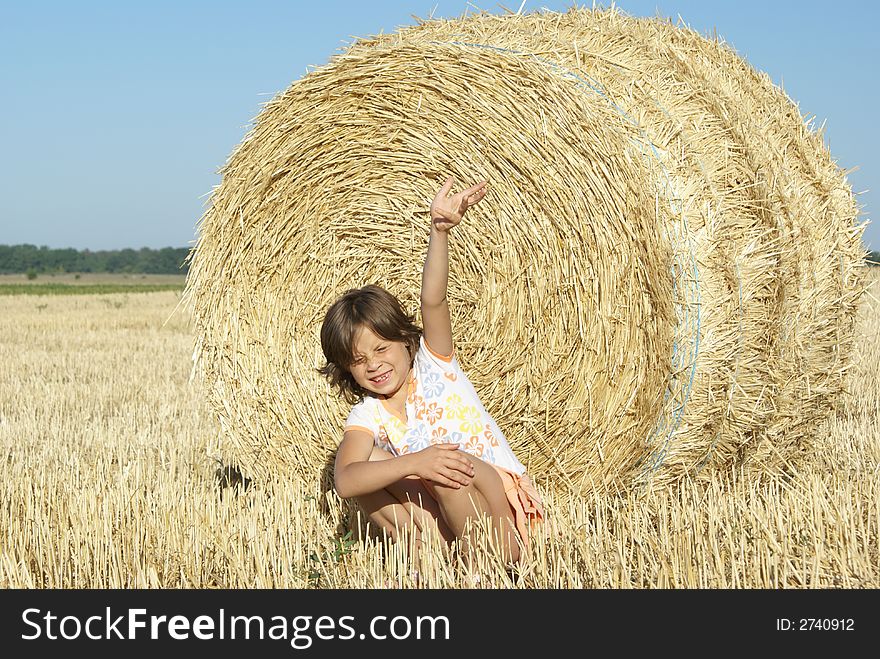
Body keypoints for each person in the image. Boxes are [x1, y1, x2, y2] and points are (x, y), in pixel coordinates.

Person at [319, 176, 544, 568]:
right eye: (358, 360)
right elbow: (345, 480)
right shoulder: (368, 414)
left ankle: (484, 569)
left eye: (381, 348)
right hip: (443, 523)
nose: (374, 364)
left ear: (406, 341)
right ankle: (429, 560)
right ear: (346, 370)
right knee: (368, 465)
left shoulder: (434, 363)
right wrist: (413, 462)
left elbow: (433, 299)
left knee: (445, 469)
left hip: (499, 517)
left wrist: (438, 231)